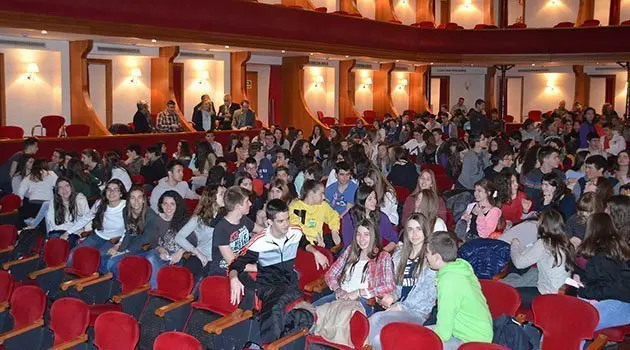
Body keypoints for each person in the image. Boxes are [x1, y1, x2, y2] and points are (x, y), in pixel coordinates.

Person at [228, 199, 330, 344]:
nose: (286, 224)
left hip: (290, 285)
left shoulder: (295, 232)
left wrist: (315, 252)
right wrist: (233, 279)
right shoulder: (259, 242)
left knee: (302, 316)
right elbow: (235, 264)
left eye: (287, 219)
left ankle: (270, 341)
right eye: (281, 221)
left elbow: (303, 242)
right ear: (270, 222)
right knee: (278, 306)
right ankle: (269, 345)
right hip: (268, 287)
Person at [368, 213, 438, 350]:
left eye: (418, 229)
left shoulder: (431, 258)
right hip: (399, 308)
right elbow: (398, 286)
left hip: (418, 312)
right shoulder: (400, 256)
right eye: (410, 229)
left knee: (377, 319)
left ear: (425, 231)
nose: (414, 234)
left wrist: (401, 306)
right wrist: (392, 296)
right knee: (378, 338)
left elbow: (427, 294)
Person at [425, 231, 493, 349]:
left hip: (472, 341)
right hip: (475, 333)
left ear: (437, 258)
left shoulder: (449, 280)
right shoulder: (459, 267)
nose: (426, 256)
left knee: (419, 341)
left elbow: (444, 333)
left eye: (427, 253)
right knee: (417, 335)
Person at [313, 219, 395, 317]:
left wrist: (358, 292)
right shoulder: (350, 250)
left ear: (374, 236)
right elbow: (330, 274)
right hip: (340, 296)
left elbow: (389, 285)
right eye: (358, 234)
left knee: (335, 317)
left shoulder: (382, 256)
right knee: (311, 313)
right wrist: (338, 289)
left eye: (366, 234)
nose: (361, 239)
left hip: (362, 301)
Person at [574, 212, 630, 331]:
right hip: (619, 299)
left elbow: (612, 288)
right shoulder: (617, 247)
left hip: (620, 302)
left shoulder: (603, 254)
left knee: (577, 324)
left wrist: (583, 290)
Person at [509, 209, 575, 308]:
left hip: (547, 296)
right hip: (560, 293)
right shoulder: (566, 243)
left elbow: (519, 263)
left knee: (508, 295)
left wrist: (514, 245)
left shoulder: (545, 243)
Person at [63, 180, 128, 265]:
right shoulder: (100, 203)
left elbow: (128, 229)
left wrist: (118, 245)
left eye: (116, 190)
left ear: (121, 194)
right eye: (109, 189)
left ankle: (88, 277)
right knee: (72, 255)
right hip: (97, 236)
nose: (111, 192)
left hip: (114, 240)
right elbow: (86, 218)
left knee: (95, 261)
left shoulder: (126, 207)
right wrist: (68, 232)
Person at [104, 185, 157, 277]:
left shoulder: (151, 216)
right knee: (105, 259)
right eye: (132, 198)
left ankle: (126, 281)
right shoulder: (126, 211)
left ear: (144, 200)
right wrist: (120, 249)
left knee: (114, 262)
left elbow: (146, 239)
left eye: (139, 197)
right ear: (128, 200)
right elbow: (129, 232)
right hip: (132, 243)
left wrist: (126, 251)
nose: (136, 201)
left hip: (145, 247)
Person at [175, 185, 225, 280]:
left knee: (201, 277)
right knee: (185, 274)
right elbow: (179, 237)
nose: (225, 196)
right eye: (222, 194)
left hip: (219, 260)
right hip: (202, 255)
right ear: (212, 198)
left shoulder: (227, 217)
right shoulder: (199, 219)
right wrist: (197, 252)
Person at [143, 191, 190, 288]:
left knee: (154, 265)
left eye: (172, 204)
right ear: (161, 205)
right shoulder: (156, 220)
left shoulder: (185, 220)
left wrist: (181, 252)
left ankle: (157, 288)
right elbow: (153, 241)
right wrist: (160, 249)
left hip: (177, 256)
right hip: (161, 253)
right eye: (165, 204)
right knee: (150, 257)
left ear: (177, 205)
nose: (169, 207)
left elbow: (194, 241)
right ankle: (155, 289)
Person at [341, 184, 398, 251]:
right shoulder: (349, 218)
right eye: (370, 199)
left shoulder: (381, 217)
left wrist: (382, 253)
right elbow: (348, 244)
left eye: (375, 198)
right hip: (354, 253)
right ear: (361, 201)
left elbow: (394, 239)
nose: (374, 201)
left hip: (375, 253)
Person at [289, 179, 341, 247]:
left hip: (320, 244)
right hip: (302, 245)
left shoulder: (323, 205)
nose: (324, 197)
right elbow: (296, 226)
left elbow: (333, 216)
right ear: (311, 194)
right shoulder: (296, 207)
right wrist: (315, 234)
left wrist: (334, 231)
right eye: (321, 193)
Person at [45, 177, 90, 249]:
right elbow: (51, 223)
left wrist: (86, 234)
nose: (64, 190)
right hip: (57, 231)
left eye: (67, 186)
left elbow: (88, 218)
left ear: (71, 188)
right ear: (58, 191)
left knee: (64, 247)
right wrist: (61, 235)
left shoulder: (80, 199)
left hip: (74, 233)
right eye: (60, 187)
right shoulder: (53, 202)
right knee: (51, 246)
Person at [522, 146, 565, 211]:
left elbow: (562, 195)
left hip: (556, 209)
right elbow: (528, 198)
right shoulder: (532, 176)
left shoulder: (560, 175)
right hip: (536, 210)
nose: (558, 160)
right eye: (555, 157)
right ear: (545, 159)